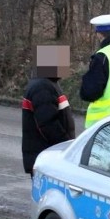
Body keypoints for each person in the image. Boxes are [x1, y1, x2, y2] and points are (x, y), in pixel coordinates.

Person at [21, 45, 77, 176]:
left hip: (46, 155)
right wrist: (66, 147)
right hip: (47, 156)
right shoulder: (43, 87)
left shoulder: (46, 84)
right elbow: (48, 124)